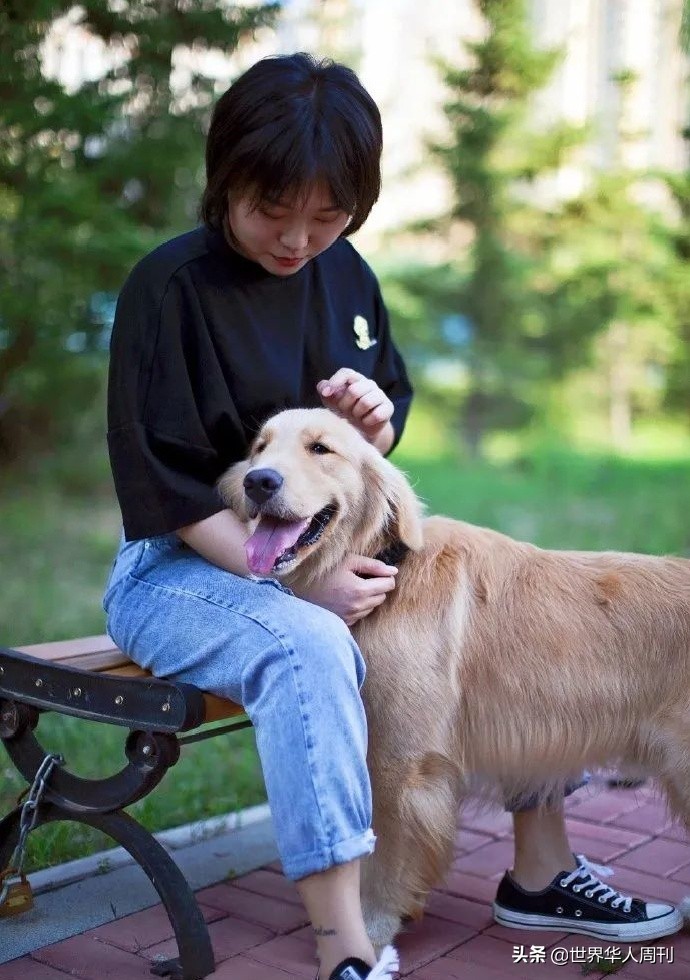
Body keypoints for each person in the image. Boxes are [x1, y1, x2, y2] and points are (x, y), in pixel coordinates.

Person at [103, 53, 682, 980]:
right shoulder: (167, 288)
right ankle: (349, 935)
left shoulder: (346, 274)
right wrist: (293, 580)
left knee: (520, 599)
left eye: (326, 217)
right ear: (226, 184)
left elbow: (374, 432)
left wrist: (374, 418)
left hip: (317, 545)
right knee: (310, 645)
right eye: (271, 211)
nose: (297, 240)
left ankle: (541, 872)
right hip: (183, 565)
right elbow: (160, 483)